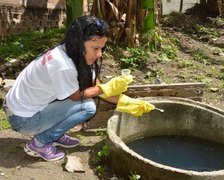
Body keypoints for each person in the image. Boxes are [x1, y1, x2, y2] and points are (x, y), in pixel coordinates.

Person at [3, 15, 155, 162]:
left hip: (26, 107)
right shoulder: (62, 64)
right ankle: (40, 144)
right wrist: (106, 88)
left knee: (83, 100)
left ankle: (55, 132)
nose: (99, 54)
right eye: (96, 48)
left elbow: (95, 86)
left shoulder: (73, 52)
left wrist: (128, 102)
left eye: (102, 48)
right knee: (87, 107)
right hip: (22, 118)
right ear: (79, 42)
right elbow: (77, 96)